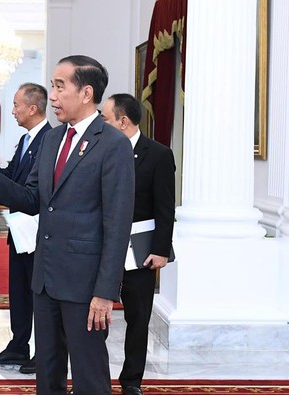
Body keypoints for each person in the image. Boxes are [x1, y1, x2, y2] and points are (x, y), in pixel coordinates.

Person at [0, 55, 135, 395]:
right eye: (52, 87)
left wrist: (104, 292)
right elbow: (33, 198)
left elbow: (117, 225)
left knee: (89, 375)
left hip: (85, 285)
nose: (51, 96)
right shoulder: (53, 140)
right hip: (45, 278)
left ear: (86, 93)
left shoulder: (112, 145)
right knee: (47, 373)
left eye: (59, 86)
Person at [101, 93, 176, 395]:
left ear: (123, 121)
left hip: (140, 252)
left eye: (105, 118)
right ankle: (91, 378)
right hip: (102, 248)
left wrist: (160, 250)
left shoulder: (158, 154)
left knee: (138, 317)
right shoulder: (100, 151)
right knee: (94, 317)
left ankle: (131, 380)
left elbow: (165, 207)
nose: (100, 123)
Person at [0, 83, 52, 375]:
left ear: (32, 108)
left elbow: (33, 190)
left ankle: (44, 352)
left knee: (40, 294)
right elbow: (12, 177)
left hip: (39, 231)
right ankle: (18, 345)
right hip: (20, 230)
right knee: (20, 291)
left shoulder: (49, 139)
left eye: (16, 105)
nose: (11, 111)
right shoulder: (26, 140)